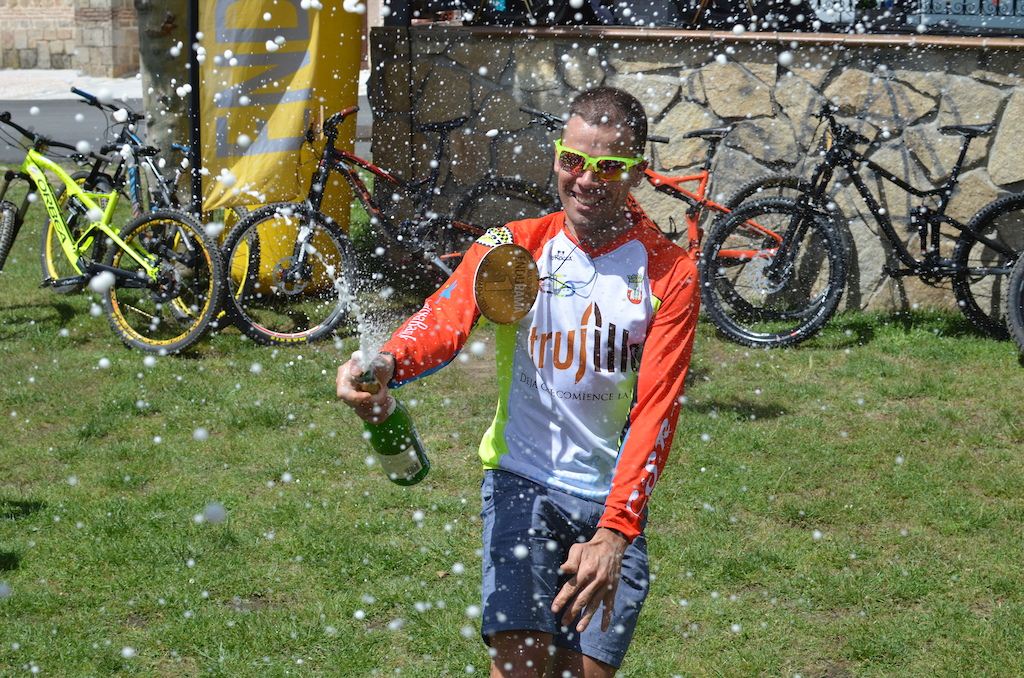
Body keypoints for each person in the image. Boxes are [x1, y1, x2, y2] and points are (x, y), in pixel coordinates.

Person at [337, 86, 700, 678]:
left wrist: (614, 534)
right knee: (522, 670)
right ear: (557, 155)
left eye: (609, 166)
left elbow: (656, 411)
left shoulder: (669, 272)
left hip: (608, 500)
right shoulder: (516, 246)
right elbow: (443, 321)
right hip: (520, 484)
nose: (586, 179)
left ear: (636, 173)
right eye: (572, 160)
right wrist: (384, 364)